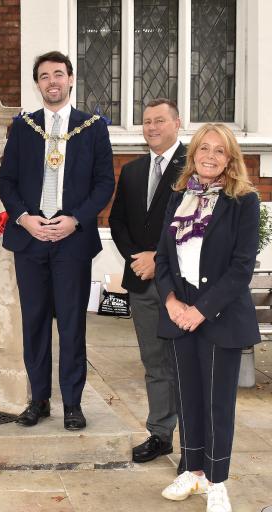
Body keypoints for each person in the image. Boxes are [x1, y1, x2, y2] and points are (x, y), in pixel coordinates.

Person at [0, 51, 114, 430]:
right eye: (44, 76)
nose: (52, 82)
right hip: (30, 240)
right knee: (34, 323)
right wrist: (25, 219)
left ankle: (73, 404)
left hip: (72, 241)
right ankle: (39, 400)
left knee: (72, 325)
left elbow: (104, 183)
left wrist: (75, 220)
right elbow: (6, 181)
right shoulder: (24, 128)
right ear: (37, 84)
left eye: (58, 74)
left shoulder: (91, 128)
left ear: (71, 79)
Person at [156, 123, 260, 512]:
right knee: (188, 399)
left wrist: (201, 310)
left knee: (217, 404)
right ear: (193, 154)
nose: (210, 156)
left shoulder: (244, 201)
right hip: (179, 314)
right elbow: (163, 257)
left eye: (219, 150)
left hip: (219, 316)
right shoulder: (179, 195)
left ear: (230, 158)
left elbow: (241, 268)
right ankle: (194, 471)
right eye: (204, 148)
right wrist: (170, 301)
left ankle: (217, 482)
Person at [109, 98, 185, 469]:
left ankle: (195, 444)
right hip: (141, 283)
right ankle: (160, 434)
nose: (152, 127)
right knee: (155, 362)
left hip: (181, 286)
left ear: (177, 123)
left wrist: (159, 258)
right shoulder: (133, 170)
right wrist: (138, 260)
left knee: (185, 364)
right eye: (147, 121)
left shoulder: (196, 166)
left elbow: (196, 226)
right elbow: (117, 220)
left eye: (159, 120)